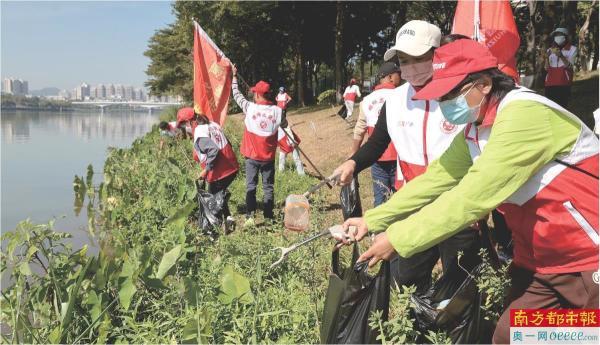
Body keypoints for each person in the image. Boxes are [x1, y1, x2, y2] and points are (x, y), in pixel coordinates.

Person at [340, 39, 598, 344]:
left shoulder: (522, 117)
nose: (446, 103)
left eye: (453, 94)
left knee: (581, 333)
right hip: (542, 258)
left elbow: (472, 196)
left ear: (485, 84)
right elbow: (439, 177)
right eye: (442, 96)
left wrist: (397, 238)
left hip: (586, 255)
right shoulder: (477, 126)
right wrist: (373, 219)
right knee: (512, 335)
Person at [333, 21, 479, 292]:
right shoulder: (396, 100)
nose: (411, 67)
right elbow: (378, 143)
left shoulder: (460, 95)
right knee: (407, 277)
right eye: (404, 61)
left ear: (438, 55)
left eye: (419, 59)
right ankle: (418, 325)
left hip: (456, 198)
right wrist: (353, 163)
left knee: (460, 280)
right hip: (411, 199)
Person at [231, 65, 288, 227]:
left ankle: (250, 217)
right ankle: (268, 217)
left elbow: (236, 95)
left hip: (252, 158)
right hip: (268, 159)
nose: (253, 94)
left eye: (254, 92)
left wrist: (234, 77)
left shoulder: (249, 108)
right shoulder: (278, 111)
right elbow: (284, 124)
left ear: (257, 94)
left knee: (251, 186)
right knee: (268, 187)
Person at [351, 61, 402, 206]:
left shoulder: (366, 100)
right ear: (391, 77)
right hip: (399, 157)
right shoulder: (402, 96)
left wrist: (353, 156)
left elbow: (359, 129)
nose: (401, 76)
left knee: (380, 200)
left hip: (377, 158)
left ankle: (379, 228)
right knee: (403, 199)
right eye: (399, 74)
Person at [193, 114, 239, 234]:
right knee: (219, 195)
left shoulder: (199, 131)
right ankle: (228, 220)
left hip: (221, 172)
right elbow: (227, 143)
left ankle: (216, 229)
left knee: (214, 199)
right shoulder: (213, 125)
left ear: (190, 123)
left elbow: (213, 150)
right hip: (231, 166)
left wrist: (206, 169)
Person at [544, 27, 577, 108]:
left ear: (566, 37)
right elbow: (546, 68)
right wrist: (546, 58)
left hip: (563, 83)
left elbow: (570, 67)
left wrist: (561, 56)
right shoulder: (550, 50)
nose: (557, 37)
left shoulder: (573, 49)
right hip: (550, 84)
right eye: (556, 35)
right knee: (551, 108)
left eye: (559, 35)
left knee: (562, 107)